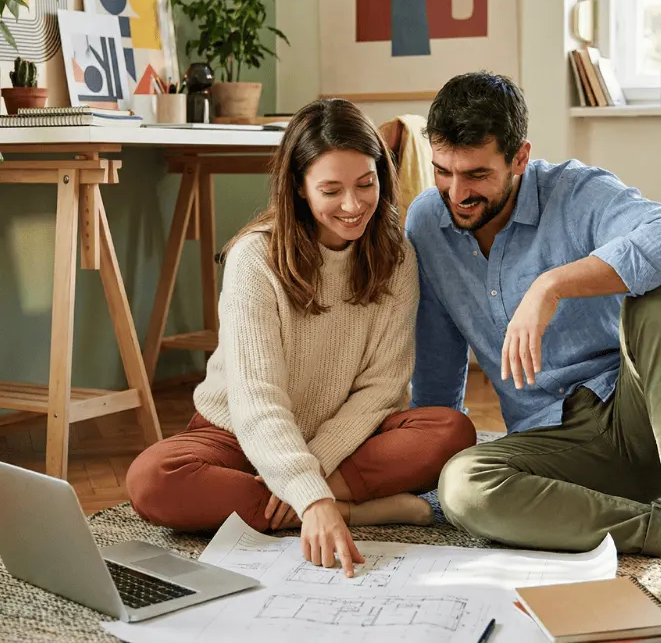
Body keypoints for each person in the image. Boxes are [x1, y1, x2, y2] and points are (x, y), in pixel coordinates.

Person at [406, 71, 661, 614]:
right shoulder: (427, 223)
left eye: (477, 174)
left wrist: (552, 285)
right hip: (554, 445)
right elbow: (437, 373)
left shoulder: (576, 191)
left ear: (519, 157)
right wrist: (422, 475)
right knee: (462, 487)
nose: (457, 194)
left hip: (642, 415)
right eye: (443, 171)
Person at [127, 98, 476, 578]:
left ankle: (298, 507)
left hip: (344, 437)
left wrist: (306, 475)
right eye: (331, 189)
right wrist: (311, 496)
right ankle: (347, 508)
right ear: (299, 187)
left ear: (382, 176)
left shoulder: (396, 257)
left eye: (366, 184)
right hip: (238, 435)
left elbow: (382, 388)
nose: (353, 206)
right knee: (151, 480)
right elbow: (257, 401)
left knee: (451, 431)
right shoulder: (255, 258)